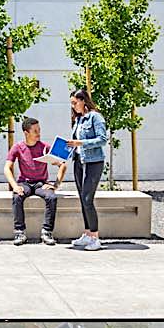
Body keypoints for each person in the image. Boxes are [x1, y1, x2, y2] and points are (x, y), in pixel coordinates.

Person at [57, 88, 107, 251]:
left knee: (87, 199)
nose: (73, 106)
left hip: (93, 162)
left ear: (83, 100)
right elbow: (75, 143)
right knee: (82, 199)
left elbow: (102, 139)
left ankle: (95, 237)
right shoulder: (78, 119)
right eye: (71, 103)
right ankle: (87, 234)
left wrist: (81, 143)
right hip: (79, 161)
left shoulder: (95, 117)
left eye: (75, 102)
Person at [5, 116, 65, 246]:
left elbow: (63, 164)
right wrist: (15, 186)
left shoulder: (45, 147)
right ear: (26, 133)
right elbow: (7, 168)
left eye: (39, 130)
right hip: (24, 183)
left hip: (41, 184)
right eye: (35, 131)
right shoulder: (17, 147)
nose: (39, 133)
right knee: (17, 197)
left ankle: (47, 232)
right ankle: (20, 232)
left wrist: (56, 185)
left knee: (52, 198)